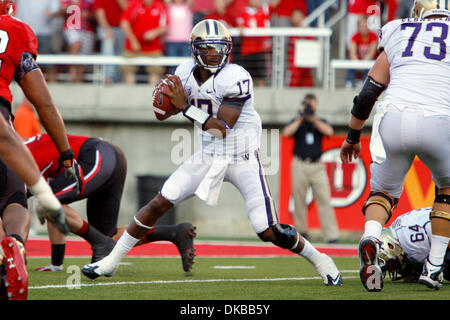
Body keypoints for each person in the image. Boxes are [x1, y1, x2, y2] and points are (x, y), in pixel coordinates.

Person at [82, 19, 343, 286]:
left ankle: (321, 259)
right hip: (208, 155)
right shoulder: (183, 72)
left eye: (220, 47)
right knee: (160, 201)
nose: (215, 53)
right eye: (208, 48)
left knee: (267, 230)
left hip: (242, 156)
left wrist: (184, 108)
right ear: (195, 50)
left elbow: (222, 128)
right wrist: (165, 103)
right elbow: (161, 115)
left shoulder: (236, 76)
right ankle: (111, 262)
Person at [340, 0, 450, 291]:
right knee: (448, 191)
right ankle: (434, 267)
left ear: (417, 12)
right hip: (439, 119)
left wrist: (352, 137)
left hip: (393, 117)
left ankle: (372, 237)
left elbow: (367, 94)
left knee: (384, 193)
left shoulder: (398, 30)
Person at [0, 0, 82, 300]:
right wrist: (65, 152)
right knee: (13, 198)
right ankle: (15, 245)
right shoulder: (16, 31)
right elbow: (44, 103)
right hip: (3, 122)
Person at [25, 133, 196, 273]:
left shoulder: (17, 161)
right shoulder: (19, 152)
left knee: (47, 202)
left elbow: (17, 209)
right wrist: (56, 265)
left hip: (97, 155)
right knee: (109, 238)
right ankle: (174, 233)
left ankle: (98, 242)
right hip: (108, 157)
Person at [281, 93, 339, 243]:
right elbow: (286, 132)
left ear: (316, 106)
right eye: (307, 105)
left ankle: (331, 235)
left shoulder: (319, 122)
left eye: (312, 105)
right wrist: (301, 117)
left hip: (317, 166)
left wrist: (313, 118)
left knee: (324, 199)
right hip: (299, 164)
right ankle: (302, 233)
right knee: (299, 200)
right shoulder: (297, 121)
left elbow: (329, 131)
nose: (309, 108)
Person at [378, 207, 450, 283]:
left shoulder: (411, 244)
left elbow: (445, 240)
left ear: (391, 246)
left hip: (444, 224)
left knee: (442, 266)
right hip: (442, 216)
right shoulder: (397, 229)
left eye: (392, 265)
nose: (393, 269)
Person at [120, 0, 169, 85]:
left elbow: (166, 26)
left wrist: (155, 32)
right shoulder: (135, 5)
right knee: (128, 71)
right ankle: (128, 95)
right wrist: (133, 41)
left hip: (153, 48)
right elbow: (124, 23)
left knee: (155, 72)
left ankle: (152, 96)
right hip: (133, 48)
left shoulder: (160, 6)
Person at [93, 0, 129, 84]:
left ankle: (119, 78)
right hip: (106, 27)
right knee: (108, 42)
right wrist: (107, 30)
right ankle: (109, 77)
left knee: (122, 52)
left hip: (123, 28)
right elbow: (100, 15)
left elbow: (129, 10)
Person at [61, 0, 96, 83]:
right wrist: (71, 6)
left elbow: (96, 14)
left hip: (87, 29)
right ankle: (72, 75)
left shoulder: (90, 1)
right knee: (76, 44)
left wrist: (88, 15)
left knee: (84, 55)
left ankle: (79, 79)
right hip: (72, 26)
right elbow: (61, 11)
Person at [345, 16, 378, 89]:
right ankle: (350, 81)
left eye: (365, 26)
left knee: (372, 64)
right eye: (361, 26)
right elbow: (352, 53)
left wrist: (363, 62)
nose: (364, 28)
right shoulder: (355, 36)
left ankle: (364, 81)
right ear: (358, 27)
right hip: (358, 60)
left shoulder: (373, 36)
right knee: (350, 62)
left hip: (369, 61)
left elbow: (371, 53)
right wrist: (357, 62)